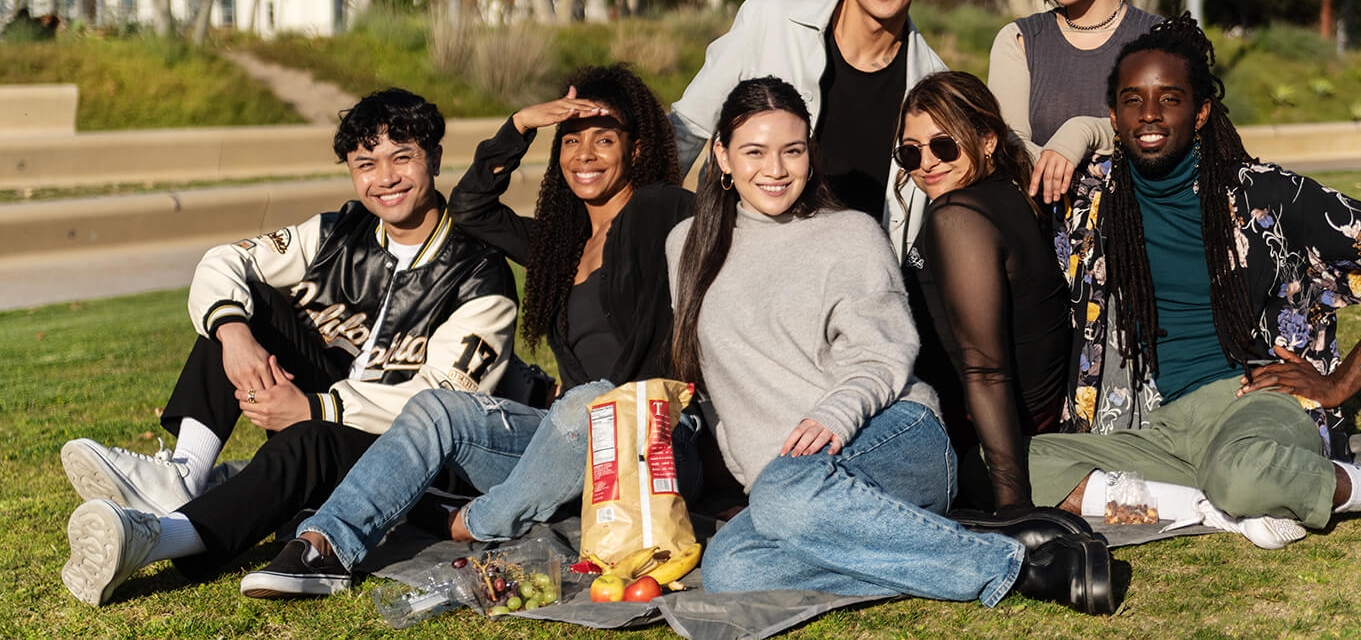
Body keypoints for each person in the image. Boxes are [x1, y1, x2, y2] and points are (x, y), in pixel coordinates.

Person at [1027, 15, 1361, 552]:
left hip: (1252, 403)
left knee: (1241, 474)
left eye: (1171, 98)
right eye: (1132, 99)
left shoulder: (1264, 197)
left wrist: (1338, 385)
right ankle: (1220, 509)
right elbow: (995, 159)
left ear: (1202, 111)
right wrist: (1071, 134)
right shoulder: (1091, 201)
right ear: (1113, 115)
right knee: (1030, 467)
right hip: (1160, 422)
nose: (1150, 115)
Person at [237, 65, 697, 597]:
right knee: (439, 407)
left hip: (656, 437)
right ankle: (324, 546)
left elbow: (694, 221)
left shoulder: (659, 209)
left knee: (592, 400)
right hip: (569, 440)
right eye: (571, 141)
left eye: (604, 139)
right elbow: (472, 207)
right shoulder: (559, 249)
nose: (585, 155)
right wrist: (520, 126)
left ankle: (470, 522)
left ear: (635, 151)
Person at [665, 76, 1115, 616]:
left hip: (894, 433)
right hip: (793, 485)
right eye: (754, 152)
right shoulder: (684, 247)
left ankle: (1022, 570)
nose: (776, 169)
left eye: (793, 150)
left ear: (811, 153)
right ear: (721, 155)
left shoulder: (850, 233)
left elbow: (886, 355)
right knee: (730, 570)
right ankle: (941, 547)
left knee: (785, 494)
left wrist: (832, 419)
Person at [59, 89, 519, 606]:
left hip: (420, 460)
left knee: (311, 441)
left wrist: (313, 407)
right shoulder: (337, 232)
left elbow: (445, 405)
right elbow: (222, 261)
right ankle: (185, 473)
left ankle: (151, 540)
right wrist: (234, 335)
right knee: (242, 306)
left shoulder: (480, 272)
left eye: (402, 157)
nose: (384, 178)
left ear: (433, 157)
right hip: (332, 410)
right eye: (366, 164)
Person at [670, 0, 946, 258]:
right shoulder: (768, 20)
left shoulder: (934, 84)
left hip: (855, 284)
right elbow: (687, 129)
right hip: (742, 258)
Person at [892, 71, 1070, 513]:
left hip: (979, 440)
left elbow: (986, 372)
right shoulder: (1009, 193)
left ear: (987, 139)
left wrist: (1010, 503)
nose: (927, 163)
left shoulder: (956, 216)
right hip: (1031, 420)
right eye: (910, 153)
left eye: (943, 145)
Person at [987, 0, 1161, 204]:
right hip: (1046, 232)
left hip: (1147, 226)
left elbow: (1178, 129)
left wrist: (1085, 131)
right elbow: (1009, 143)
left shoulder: (1160, 37)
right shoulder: (1019, 41)